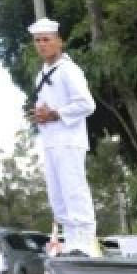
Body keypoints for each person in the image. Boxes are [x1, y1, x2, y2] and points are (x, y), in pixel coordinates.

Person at [27, 17, 97, 256]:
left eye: (46, 39)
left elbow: (87, 105)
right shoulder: (41, 75)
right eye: (37, 41)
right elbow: (46, 108)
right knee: (57, 194)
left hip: (69, 140)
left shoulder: (69, 70)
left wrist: (56, 114)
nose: (42, 45)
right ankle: (70, 239)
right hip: (50, 142)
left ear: (58, 42)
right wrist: (40, 115)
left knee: (73, 189)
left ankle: (85, 241)